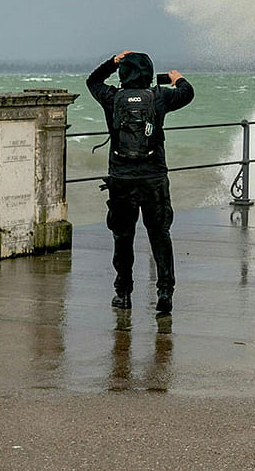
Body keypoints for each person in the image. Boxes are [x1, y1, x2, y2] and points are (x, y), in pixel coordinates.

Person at [87, 50, 194, 313]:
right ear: (148, 73)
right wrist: (177, 78)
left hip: (122, 179)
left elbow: (93, 81)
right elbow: (187, 93)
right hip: (153, 178)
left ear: (123, 73)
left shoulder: (111, 98)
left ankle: (123, 293)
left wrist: (112, 62)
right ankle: (165, 292)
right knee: (160, 235)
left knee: (123, 237)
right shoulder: (159, 98)